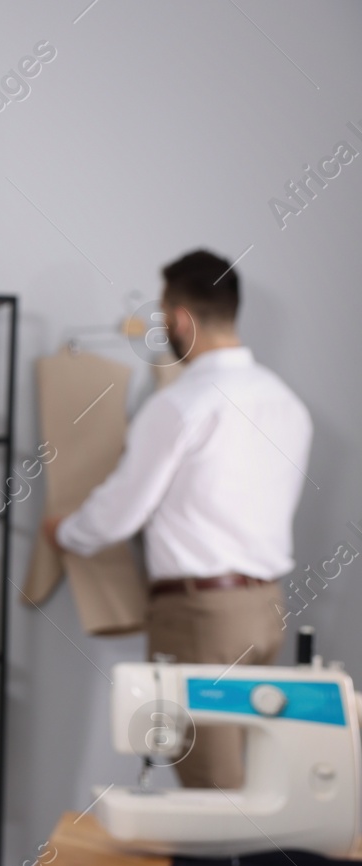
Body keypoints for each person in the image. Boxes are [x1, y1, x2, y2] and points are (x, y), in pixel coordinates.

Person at [43, 249, 312, 789]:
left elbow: (120, 512)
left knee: (213, 791)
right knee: (254, 783)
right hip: (265, 612)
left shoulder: (182, 404)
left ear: (182, 319)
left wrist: (66, 531)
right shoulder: (286, 403)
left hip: (201, 616)